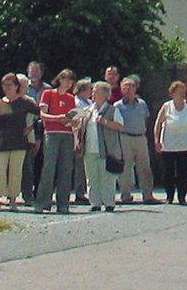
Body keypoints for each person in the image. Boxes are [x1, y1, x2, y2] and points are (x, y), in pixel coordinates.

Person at [0, 73, 36, 210]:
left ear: (16, 86)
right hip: (1, 143)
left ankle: (13, 200)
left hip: (19, 143)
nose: (7, 88)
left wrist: (31, 128)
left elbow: (40, 116)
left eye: (10, 85)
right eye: (4, 85)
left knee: (16, 172)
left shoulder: (25, 103)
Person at [34, 69, 80, 213]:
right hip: (52, 133)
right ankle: (42, 202)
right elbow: (42, 114)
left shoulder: (71, 98)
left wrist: (74, 122)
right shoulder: (48, 93)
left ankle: (63, 204)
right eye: (66, 79)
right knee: (49, 167)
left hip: (67, 134)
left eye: (71, 81)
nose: (68, 83)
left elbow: (73, 118)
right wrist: (58, 118)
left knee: (66, 169)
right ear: (60, 79)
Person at [112, 76, 158, 204]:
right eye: (125, 87)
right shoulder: (117, 106)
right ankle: (125, 195)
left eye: (130, 87)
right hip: (125, 137)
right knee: (125, 168)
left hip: (140, 138)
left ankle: (148, 195)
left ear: (135, 88)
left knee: (145, 167)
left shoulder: (142, 104)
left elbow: (146, 120)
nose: (128, 89)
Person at [77, 81, 121, 212]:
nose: (93, 93)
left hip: (106, 149)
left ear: (105, 94)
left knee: (107, 177)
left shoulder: (113, 110)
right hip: (89, 149)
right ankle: (95, 203)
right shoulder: (87, 110)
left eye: (96, 91)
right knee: (91, 177)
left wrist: (105, 122)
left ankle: (109, 203)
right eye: (93, 91)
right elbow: (79, 126)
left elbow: (120, 126)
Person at [154, 80, 187, 205]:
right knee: (168, 172)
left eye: (184, 92)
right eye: (179, 92)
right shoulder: (167, 106)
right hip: (169, 145)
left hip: (186, 145)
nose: (182, 95)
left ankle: (182, 196)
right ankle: (169, 196)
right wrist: (157, 140)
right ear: (172, 93)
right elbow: (158, 124)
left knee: (184, 171)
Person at [21, 61, 49, 204]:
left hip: (45, 126)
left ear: (41, 72)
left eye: (37, 70)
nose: (34, 73)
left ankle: (40, 193)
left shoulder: (48, 89)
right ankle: (26, 194)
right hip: (28, 126)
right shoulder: (23, 88)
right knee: (27, 163)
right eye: (32, 71)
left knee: (42, 162)